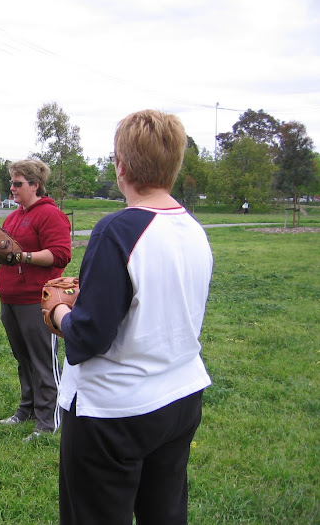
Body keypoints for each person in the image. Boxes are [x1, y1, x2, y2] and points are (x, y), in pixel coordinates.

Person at [50, 110, 213, 524]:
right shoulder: (192, 227)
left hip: (114, 412)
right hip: (179, 396)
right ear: (174, 164)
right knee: (165, 514)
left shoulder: (117, 230)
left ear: (120, 165)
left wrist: (60, 312)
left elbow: (89, 337)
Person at [0, 159, 72, 441]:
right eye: (11, 182)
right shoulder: (13, 217)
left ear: (35, 185)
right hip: (10, 297)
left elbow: (61, 254)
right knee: (23, 358)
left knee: (43, 361)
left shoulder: (50, 215)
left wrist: (25, 257)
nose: (12, 188)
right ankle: (26, 409)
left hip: (37, 299)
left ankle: (49, 420)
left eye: (18, 183)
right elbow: (6, 252)